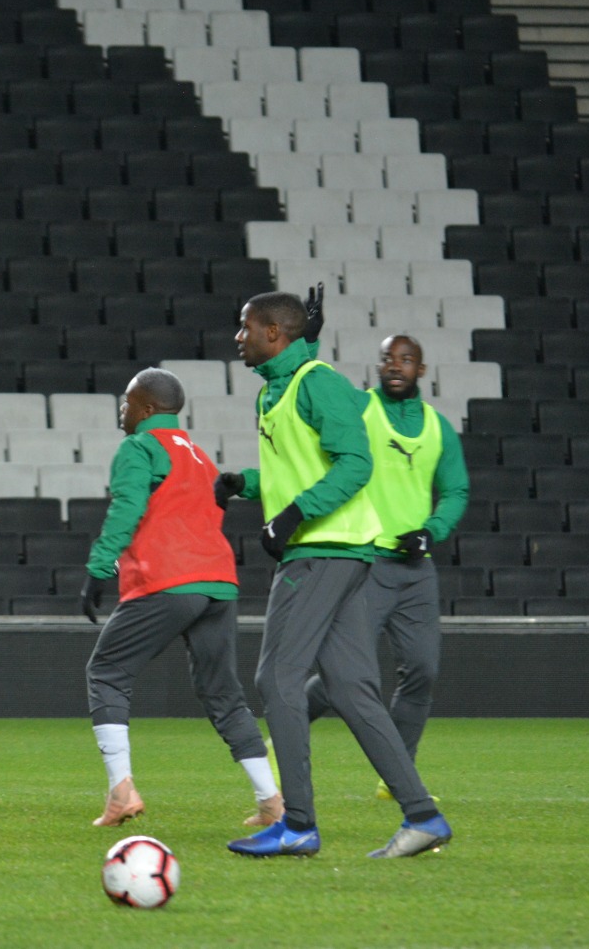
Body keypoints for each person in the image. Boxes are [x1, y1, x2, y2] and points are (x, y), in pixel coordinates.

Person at [214, 291, 451, 859]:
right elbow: (302, 467)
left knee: (277, 678)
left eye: (246, 327)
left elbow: (356, 463)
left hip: (323, 550)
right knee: (349, 688)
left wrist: (294, 515)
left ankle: (297, 824)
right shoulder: (277, 389)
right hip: (341, 551)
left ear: (274, 333)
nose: (238, 337)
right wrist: (246, 484)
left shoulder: (317, 382)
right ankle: (423, 816)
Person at [79, 367, 281, 829]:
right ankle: (271, 802)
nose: (122, 409)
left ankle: (121, 791)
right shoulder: (198, 456)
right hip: (218, 583)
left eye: (128, 401)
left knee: (107, 672)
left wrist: (99, 568)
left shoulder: (139, 448)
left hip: (168, 579)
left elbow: (128, 507)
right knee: (223, 692)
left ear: (147, 408)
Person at [303, 334, 470, 798]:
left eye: (406, 359)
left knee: (422, 672)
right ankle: (286, 728)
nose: (396, 365)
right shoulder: (361, 408)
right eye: (387, 359)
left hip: (416, 571)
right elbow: (315, 391)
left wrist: (432, 530)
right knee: (344, 677)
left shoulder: (438, 428)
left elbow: (455, 491)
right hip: (366, 563)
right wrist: (309, 344)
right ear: (378, 367)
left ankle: (397, 779)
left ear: (422, 370)